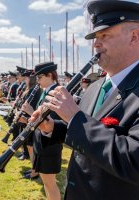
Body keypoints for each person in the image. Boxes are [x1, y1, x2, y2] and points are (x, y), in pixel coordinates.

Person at [30, 1, 139, 199]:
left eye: (104, 35)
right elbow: (86, 132)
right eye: (95, 37)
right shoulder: (94, 88)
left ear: (134, 37)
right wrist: (53, 128)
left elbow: (134, 160)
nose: (96, 43)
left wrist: (75, 116)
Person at [21, 62, 62, 200]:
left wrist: (31, 112)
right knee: (46, 182)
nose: (37, 81)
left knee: (50, 183)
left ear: (50, 75)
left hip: (49, 144)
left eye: (39, 77)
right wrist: (28, 119)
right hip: (40, 142)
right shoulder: (46, 91)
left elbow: (52, 121)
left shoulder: (57, 92)